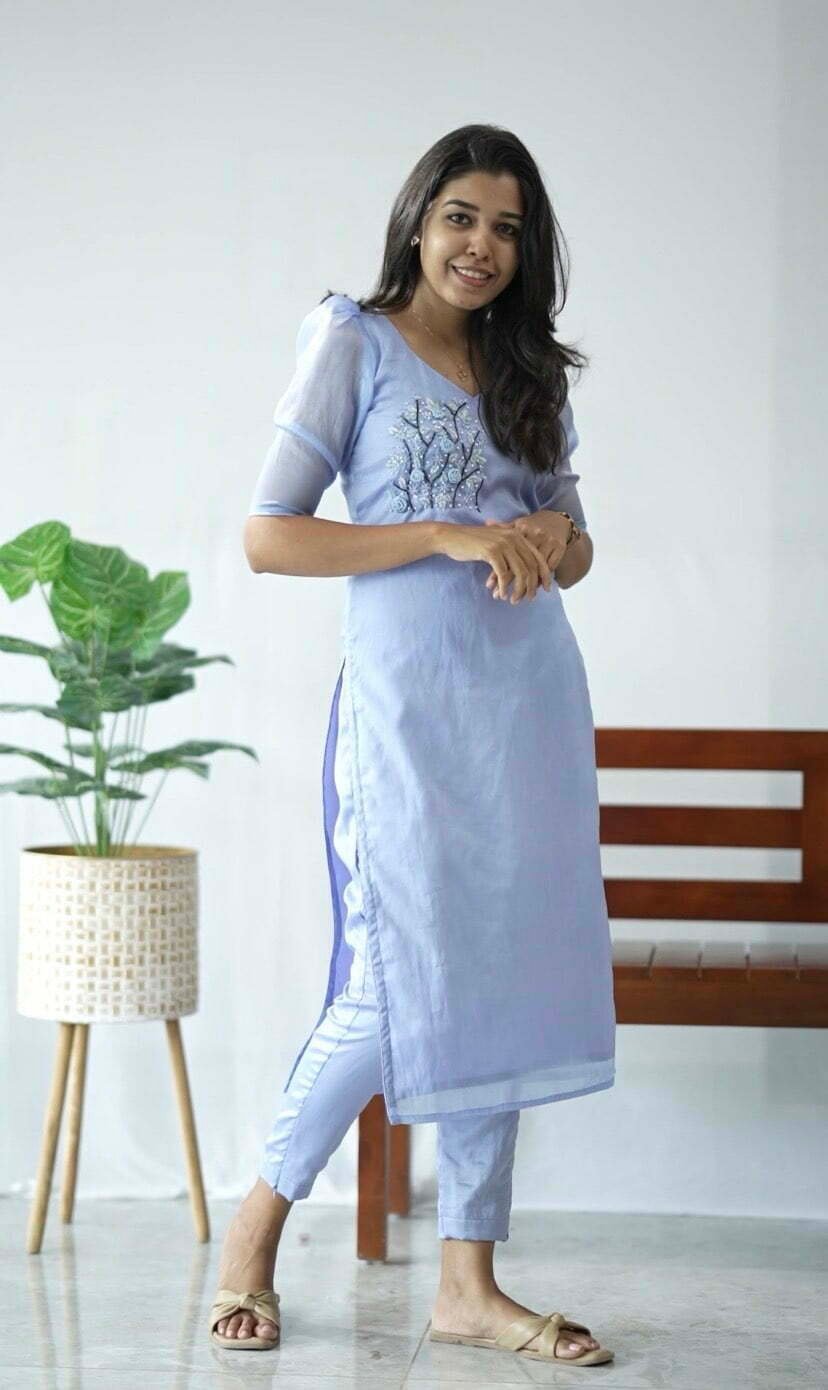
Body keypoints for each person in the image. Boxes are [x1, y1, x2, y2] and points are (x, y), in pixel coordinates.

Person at [209, 123, 616, 1369]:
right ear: (418, 220)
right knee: (389, 989)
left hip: (525, 713)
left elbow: (578, 547)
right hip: (405, 716)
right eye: (461, 217)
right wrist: (441, 531)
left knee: (499, 983)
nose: (481, 246)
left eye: (507, 228)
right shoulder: (355, 342)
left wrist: (549, 537)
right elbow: (269, 534)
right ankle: (250, 1238)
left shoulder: (527, 370)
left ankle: (468, 1288)